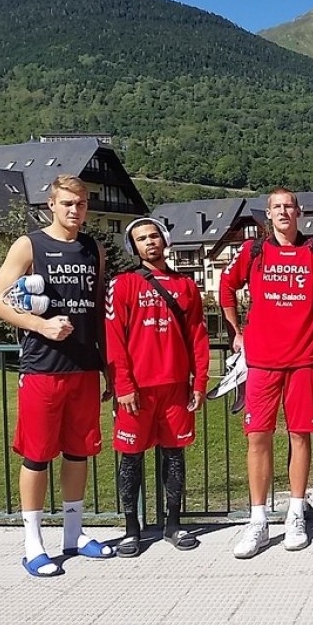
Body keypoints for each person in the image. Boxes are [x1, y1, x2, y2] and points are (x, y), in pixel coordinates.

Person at [0, 174, 114, 577]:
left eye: (81, 204)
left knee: (79, 453)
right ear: (51, 205)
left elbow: (97, 310)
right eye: (67, 203)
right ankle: (33, 545)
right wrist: (40, 325)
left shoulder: (94, 248)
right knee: (37, 455)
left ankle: (73, 535)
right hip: (43, 366)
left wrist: (108, 366)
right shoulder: (30, 244)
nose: (75, 210)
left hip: (84, 367)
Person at [220, 188, 313, 557]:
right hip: (262, 360)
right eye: (277, 207)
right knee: (258, 437)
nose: (284, 211)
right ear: (268, 214)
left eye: (289, 206)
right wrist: (236, 332)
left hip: (304, 358)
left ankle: (295, 514)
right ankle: (257, 521)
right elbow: (226, 287)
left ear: (299, 212)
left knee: (300, 436)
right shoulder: (253, 250)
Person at [106, 217, 209, 557]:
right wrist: (122, 384)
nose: (149, 242)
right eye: (141, 239)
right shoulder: (122, 284)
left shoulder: (186, 285)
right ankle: (131, 529)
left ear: (164, 240)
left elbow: (198, 337)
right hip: (136, 390)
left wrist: (199, 382)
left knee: (174, 456)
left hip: (176, 387)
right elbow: (114, 339)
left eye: (154, 236)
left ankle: (173, 524)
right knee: (131, 459)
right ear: (132, 247)